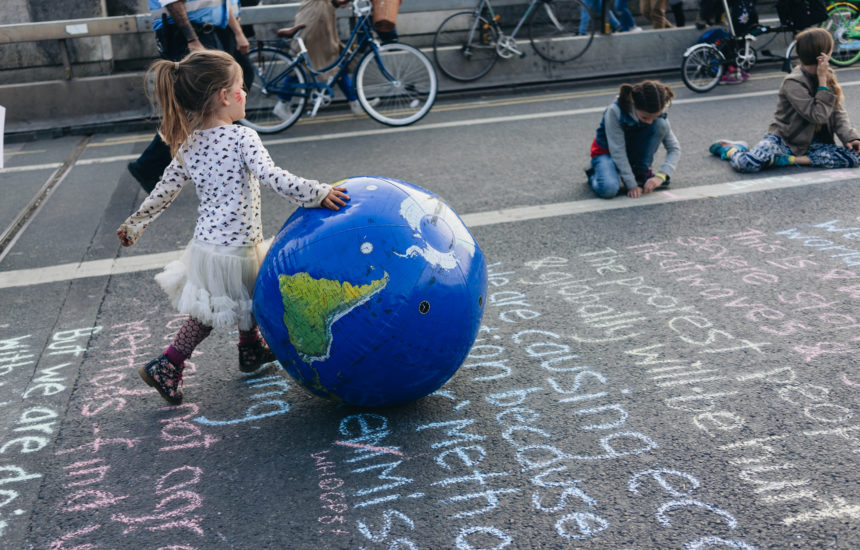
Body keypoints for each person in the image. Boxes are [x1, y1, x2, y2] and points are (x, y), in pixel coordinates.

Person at [116, 50, 350, 405]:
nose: (246, 93)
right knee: (209, 315)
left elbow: (164, 190)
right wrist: (318, 193)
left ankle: (250, 349)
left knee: (248, 297)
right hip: (235, 248)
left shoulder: (189, 143)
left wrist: (136, 224)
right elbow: (274, 178)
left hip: (209, 246)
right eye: (241, 87)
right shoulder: (243, 138)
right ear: (225, 96)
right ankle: (168, 363)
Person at [127, 0, 251, 193]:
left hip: (211, 32)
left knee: (211, 105)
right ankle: (148, 165)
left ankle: (224, 168)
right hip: (190, 36)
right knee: (198, 107)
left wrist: (238, 33)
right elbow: (173, 3)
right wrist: (192, 40)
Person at [710, 27, 860, 173]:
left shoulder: (827, 75)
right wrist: (822, 83)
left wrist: (850, 137)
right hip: (786, 141)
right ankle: (732, 149)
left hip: (815, 144)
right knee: (748, 164)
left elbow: (837, 112)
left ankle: (789, 160)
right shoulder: (793, 82)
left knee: (855, 156)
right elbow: (817, 115)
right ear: (822, 54)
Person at [586, 80, 681, 199]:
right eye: (645, 117)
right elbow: (618, 151)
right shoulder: (615, 111)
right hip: (607, 152)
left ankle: (641, 170)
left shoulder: (659, 111)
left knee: (661, 124)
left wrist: (661, 175)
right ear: (634, 104)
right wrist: (631, 184)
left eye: (654, 117)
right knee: (609, 189)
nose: (650, 122)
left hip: (631, 151)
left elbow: (674, 148)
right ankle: (594, 172)